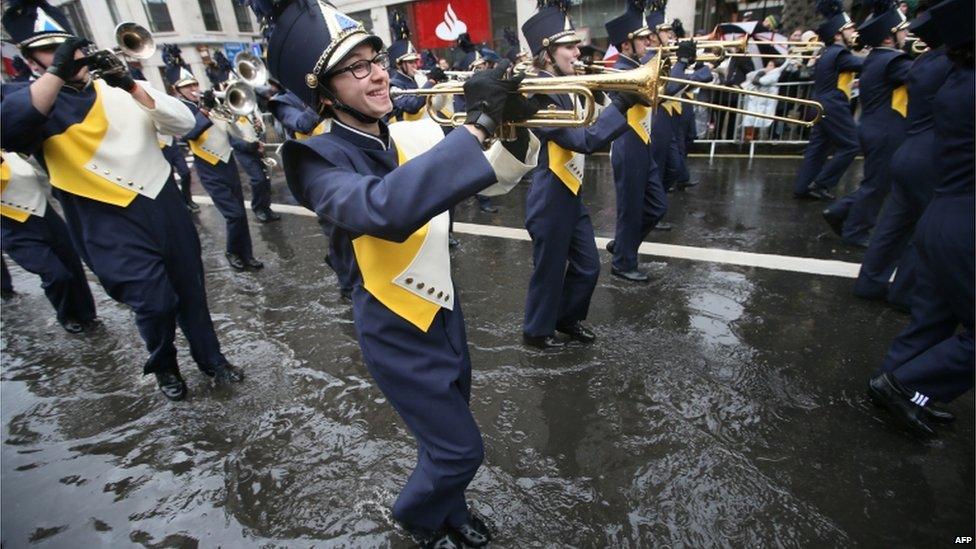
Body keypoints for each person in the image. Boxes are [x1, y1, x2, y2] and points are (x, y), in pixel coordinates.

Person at [248, 1, 540, 546]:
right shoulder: (314, 158)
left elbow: (488, 180)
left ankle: (449, 512)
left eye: (375, 58)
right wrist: (475, 125)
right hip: (393, 326)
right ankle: (415, 518)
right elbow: (383, 209)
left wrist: (514, 125)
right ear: (325, 91)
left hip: (444, 309)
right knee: (461, 449)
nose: (379, 71)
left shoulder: (409, 134)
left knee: (444, 440)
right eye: (355, 67)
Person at [0, 0, 243, 400]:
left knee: (192, 292)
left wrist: (131, 85)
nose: (64, 55)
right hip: (103, 217)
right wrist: (57, 74)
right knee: (154, 301)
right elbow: (9, 129)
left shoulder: (121, 86)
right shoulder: (29, 100)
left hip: (162, 202)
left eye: (67, 46)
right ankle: (163, 363)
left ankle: (212, 361)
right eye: (49, 50)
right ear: (31, 59)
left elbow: (187, 123)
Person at [868, 0, 973, 436]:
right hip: (963, 218)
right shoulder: (950, 76)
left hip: (946, 211)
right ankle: (905, 384)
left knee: (932, 317)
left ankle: (903, 389)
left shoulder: (948, 76)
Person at [520, 1, 635, 347]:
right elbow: (583, 139)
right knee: (550, 268)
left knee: (588, 266)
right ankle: (536, 331)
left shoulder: (566, 82)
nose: (577, 51)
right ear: (548, 51)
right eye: (569, 46)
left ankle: (566, 318)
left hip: (570, 191)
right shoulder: (537, 91)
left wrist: (609, 95)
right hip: (550, 194)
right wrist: (622, 104)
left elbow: (593, 119)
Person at [853, 1, 951, 308]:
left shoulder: (923, 62)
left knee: (893, 224)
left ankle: (870, 282)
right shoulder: (942, 64)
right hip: (931, 155)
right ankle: (905, 293)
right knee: (923, 231)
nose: (905, 33)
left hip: (908, 149)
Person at [822, 3, 910, 247]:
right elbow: (923, 81)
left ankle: (841, 210)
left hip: (874, 126)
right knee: (877, 185)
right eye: (901, 30)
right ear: (889, 38)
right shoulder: (895, 61)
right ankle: (855, 231)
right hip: (887, 130)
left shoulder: (877, 58)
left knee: (878, 182)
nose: (906, 34)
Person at [167, 59, 264, 271]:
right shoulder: (180, 109)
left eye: (194, 84)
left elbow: (228, 133)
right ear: (178, 90)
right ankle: (231, 251)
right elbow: (188, 135)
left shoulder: (211, 104)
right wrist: (204, 111)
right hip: (208, 167)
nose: (194, 89)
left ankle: (246, 254)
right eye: (187, 86)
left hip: (227, 161)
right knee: (233, 214)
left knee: (240, 212)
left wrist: (252, 144)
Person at [1, 150, 97, 333]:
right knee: (56, 274)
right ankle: (68, 316)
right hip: (10, 226)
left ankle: (87, 316)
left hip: (44, 214)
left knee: (72, 265)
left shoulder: (7, 142)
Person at [602, 5, 656, 282]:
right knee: (631, 208)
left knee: (656, 206)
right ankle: (623, 263)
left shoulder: (639, 66)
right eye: (643, 39)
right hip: (627, 143)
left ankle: (622, 245)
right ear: (626, 44)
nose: (649, 42)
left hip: (644, 142)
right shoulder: (622, 71)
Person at [792, 0, 863, 201]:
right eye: (849, 28)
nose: (853, 32)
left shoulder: (828, 53)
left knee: (818, 148)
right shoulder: (840, 53)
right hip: (833, 105)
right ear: (838, 34)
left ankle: (802, 187)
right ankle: (821, 184)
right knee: (851, 145)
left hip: (820, 104)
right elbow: (863, 64)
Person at [388, 12, 446, 123]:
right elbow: (412, 106)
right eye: (410, 62)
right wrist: (431, 81)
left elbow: (436, 106)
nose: (415, 65)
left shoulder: (416, 79)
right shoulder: (394, 85)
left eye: (415, 61)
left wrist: (440, 85)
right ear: (399, 65)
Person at [229, 113, 281, 223]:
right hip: (245, 152)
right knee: (258, 179)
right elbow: (234, 139)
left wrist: (259, 127)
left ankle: (266, 207)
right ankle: (258, 208)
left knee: (266, 179)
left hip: (257, 148)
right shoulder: (229, 116)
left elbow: (258, 132)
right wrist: (252, 146)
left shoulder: (248, 112)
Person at [158, 132, 197, 212]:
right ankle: (181, 204)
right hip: (157, 148)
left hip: (171, 143)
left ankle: (188, 199)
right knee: (169, 179)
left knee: (185, 172)